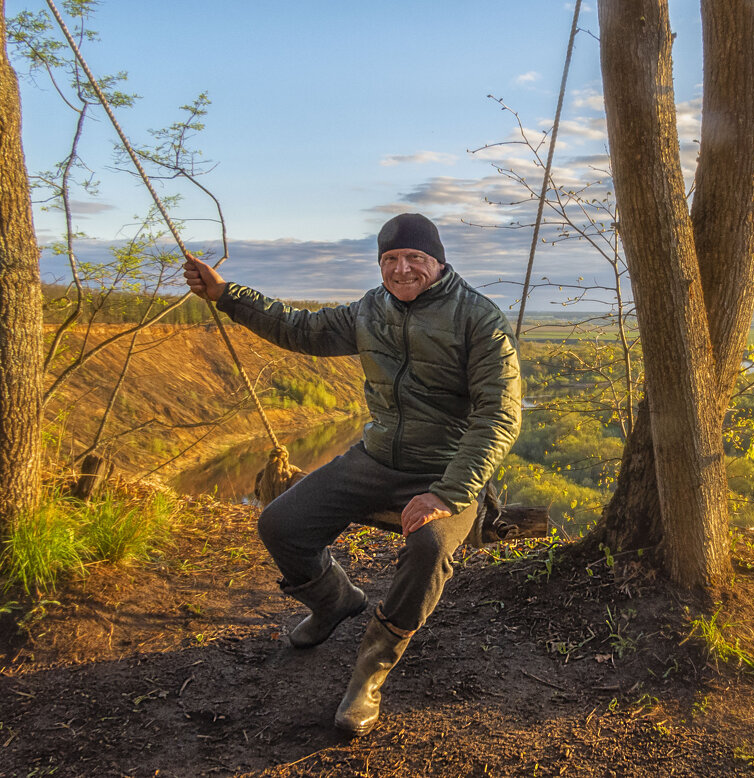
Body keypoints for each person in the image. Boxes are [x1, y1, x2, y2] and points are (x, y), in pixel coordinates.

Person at [183, 213, 522, 736]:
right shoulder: (370, 310)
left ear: (438, 260)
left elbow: (499, 414)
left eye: (415, 258)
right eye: (391, 259)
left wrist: (448, 494)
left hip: (447, 469)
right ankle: (336, 601)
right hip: (376, 456)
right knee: (281, 526)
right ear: (381, 264)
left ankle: (371, 669)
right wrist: (227, 295)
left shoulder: (478, 318)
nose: (402, 269)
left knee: (429, 548)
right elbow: (299, 329)